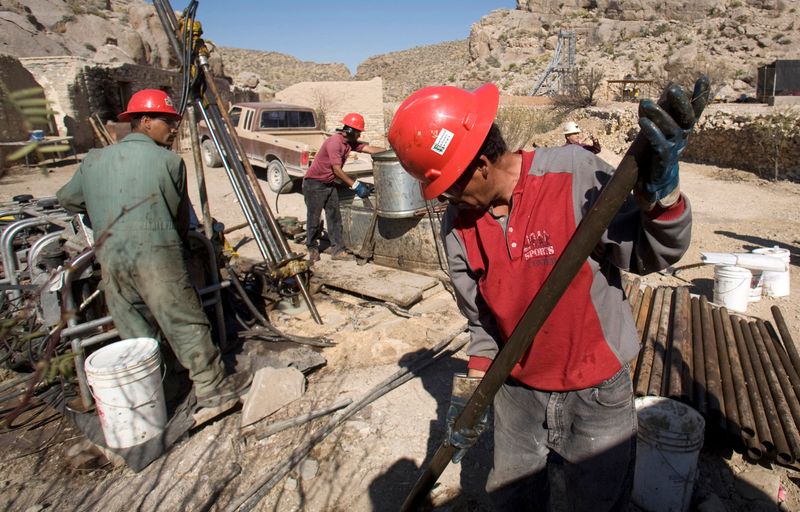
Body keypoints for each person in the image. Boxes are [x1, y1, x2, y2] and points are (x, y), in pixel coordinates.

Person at [388, 79, 708, 510]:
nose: (447, 199)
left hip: (596, 389)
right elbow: (480, 319)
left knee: (596, 502)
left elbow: (651, 252)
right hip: (516, 390)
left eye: (449, 187)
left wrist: (662, 200)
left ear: (481, 164)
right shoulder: (457, 226)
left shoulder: (573, 173)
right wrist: (470, 401)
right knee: (512, 499)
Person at [57, 89, 250, 421]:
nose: (174, 129)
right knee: (185, 322)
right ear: (144, 121)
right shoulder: (169, 162)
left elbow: (68, 200)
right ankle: (213, 392)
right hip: (158, 256)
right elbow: (178, 216)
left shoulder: (93, 160)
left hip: (111, 259)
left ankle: (157, 397)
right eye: (168, 122)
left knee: (136, 333)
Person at [303, 113, 385, 262]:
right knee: (313, 219)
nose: (359, 135)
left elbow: (369, 149)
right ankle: (312, 247)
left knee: (334, 217)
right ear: (351, 131)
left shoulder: (349, 142)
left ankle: (338, 250)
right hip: (314, 184)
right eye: (358, 132)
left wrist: (391, 151)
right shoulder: (335, 143)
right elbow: (337, 170)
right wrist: (355, 185)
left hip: (329, 184)